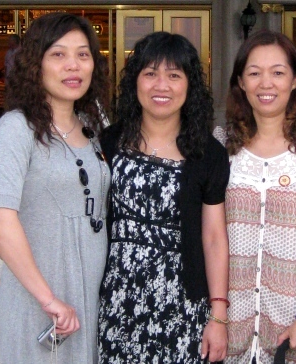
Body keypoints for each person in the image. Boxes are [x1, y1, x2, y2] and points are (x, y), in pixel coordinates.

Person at [0, 12, 110, 363]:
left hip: (91, 291)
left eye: (83, 54)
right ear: (35, 64)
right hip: (41, 294)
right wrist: (48, 298)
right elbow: (0, 220)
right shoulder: (16, 129)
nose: (73, 65)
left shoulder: (94, 127)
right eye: (58, 54)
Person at [97, 32, 229, 363]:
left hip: (182, 304)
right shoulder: (108, 142)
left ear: (189, 85)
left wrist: (218, 315)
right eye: (150, 73)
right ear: (135, 81)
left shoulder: (208, 153)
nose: (161, 86)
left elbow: (214, 237)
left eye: (174, 75)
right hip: (116, 299)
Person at [215, 30, 296, 364]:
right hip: (233, 327)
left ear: (295, 79)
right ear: (241, 82)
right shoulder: (220, 144)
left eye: (277, 72)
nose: (266, 83)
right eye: (254, 73)